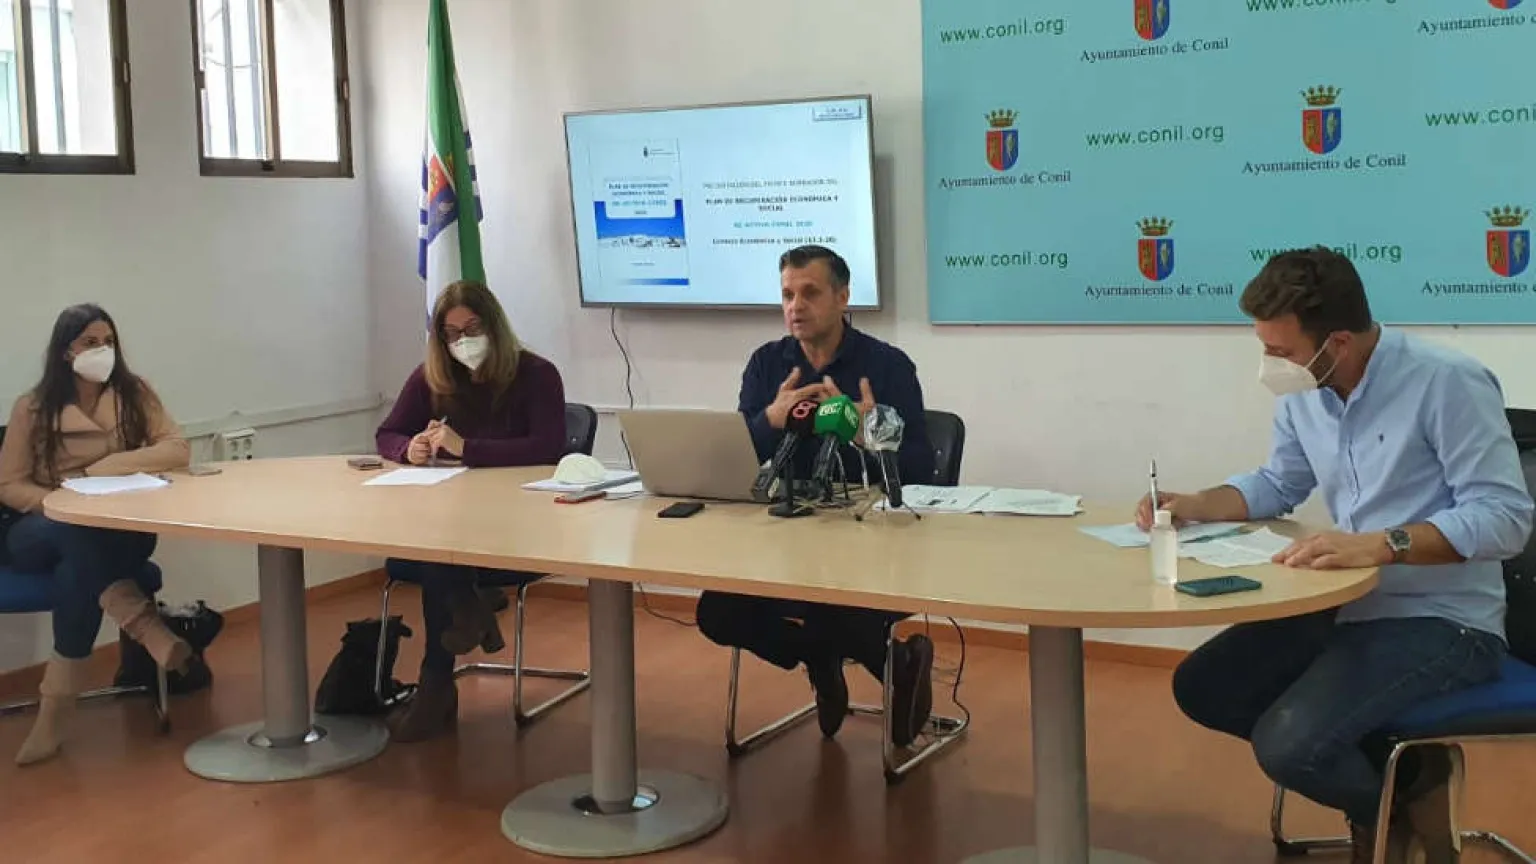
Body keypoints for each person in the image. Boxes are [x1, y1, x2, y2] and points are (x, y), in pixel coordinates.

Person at [1138, 248, 1533, 863]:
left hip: (1444, 619)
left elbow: (1505, 519)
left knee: (1289, 745)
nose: (1271, 366)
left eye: (1282, 351)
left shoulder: (1446, 382)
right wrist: (1195, 503)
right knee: (1204, 687)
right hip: (1348, 602)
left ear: (1339, 343)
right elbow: (1279, 482)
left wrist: (1383, 543)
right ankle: (1413, 787)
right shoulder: (1309, 389)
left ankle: (1385, 817)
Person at [696, 245, 938, 749]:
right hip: (784, 533)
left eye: (809, 293)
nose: (795, 306)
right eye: (787, 295)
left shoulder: (887, 366)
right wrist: (769, 419)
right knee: (716, 613)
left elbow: (922, 469)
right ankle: (831, 658)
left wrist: (868, 434)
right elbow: (738, 456)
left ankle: (896, 666)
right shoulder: (767, 364)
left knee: (834, 606)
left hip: (869, 537)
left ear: (842, 297)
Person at [0, 304, 194, 765]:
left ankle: (55, 713)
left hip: (117, 528)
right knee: (74, 536)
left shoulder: (134, 393)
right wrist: (63, 503)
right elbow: (8, 484)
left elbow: (177, 449)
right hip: (41, 528)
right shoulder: (32, 406)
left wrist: (106, 468)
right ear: (65, 351)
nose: (101, 350)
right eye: (90, 342)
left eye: (108, 341)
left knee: (78, 571)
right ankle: (144, 624)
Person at [374, 280, 567, 741]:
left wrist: (468, 448)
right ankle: (466, 612)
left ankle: (437, 682)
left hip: (520, 523)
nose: (463, 341)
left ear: (494, 326)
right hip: (452, 521)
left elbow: (549, 447)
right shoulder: (433, 377)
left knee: (438, 555)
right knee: (438, 547)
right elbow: (387, 433)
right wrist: (409, 449)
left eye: (473, 328)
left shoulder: (537, 374)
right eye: (452, 333)